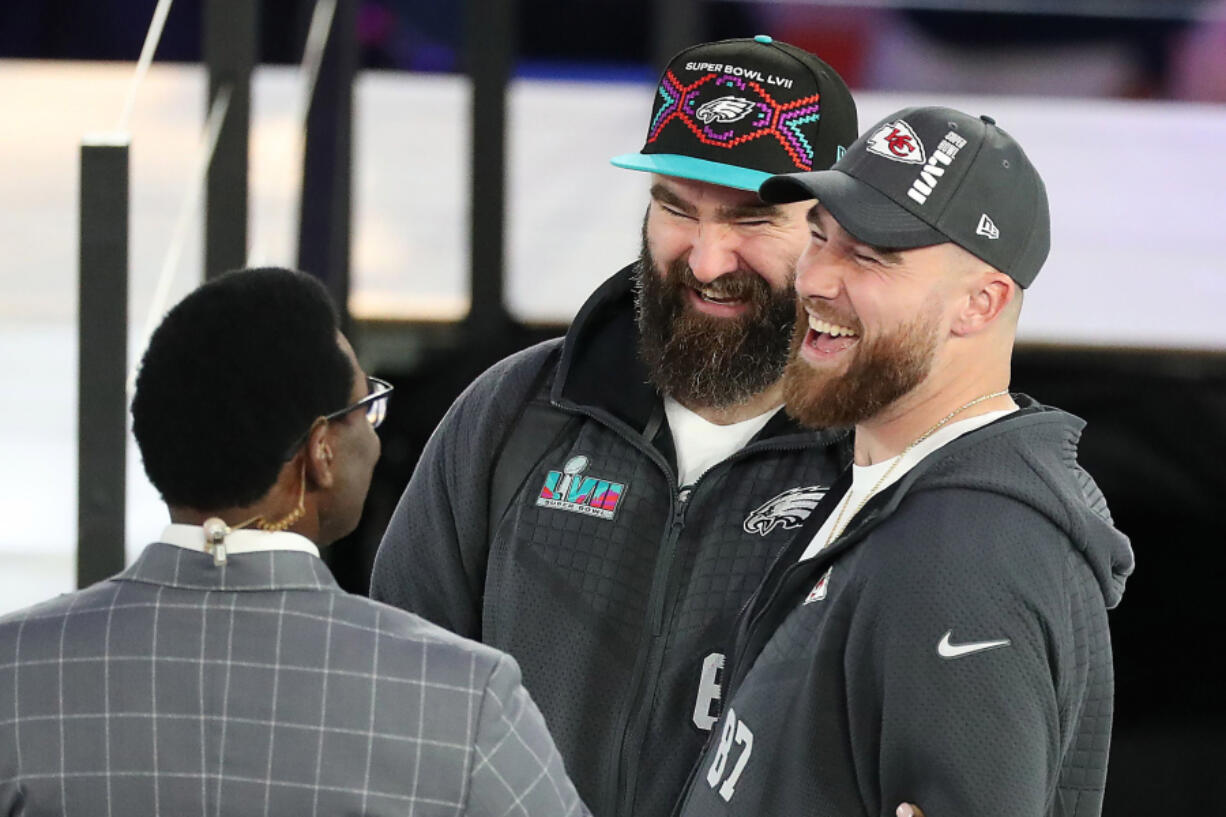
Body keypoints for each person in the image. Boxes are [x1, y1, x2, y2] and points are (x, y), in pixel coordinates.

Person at [370, 36, 859, 817]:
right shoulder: (516, 412)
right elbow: (394, 696)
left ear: (837, 231)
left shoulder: (882, 458)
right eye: (675, 208)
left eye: (752, 219)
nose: (705, 260)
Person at [675, 107, 1135, 817]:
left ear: (980, 304)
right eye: (820, 237)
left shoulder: (970, 554)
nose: (816, 280)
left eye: (869, 257)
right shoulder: (898, 493)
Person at [0, 268, 585, 817]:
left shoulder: (15, 668)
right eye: (367, 409)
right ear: (321, 453)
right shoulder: (463, 699)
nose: (376, 441)